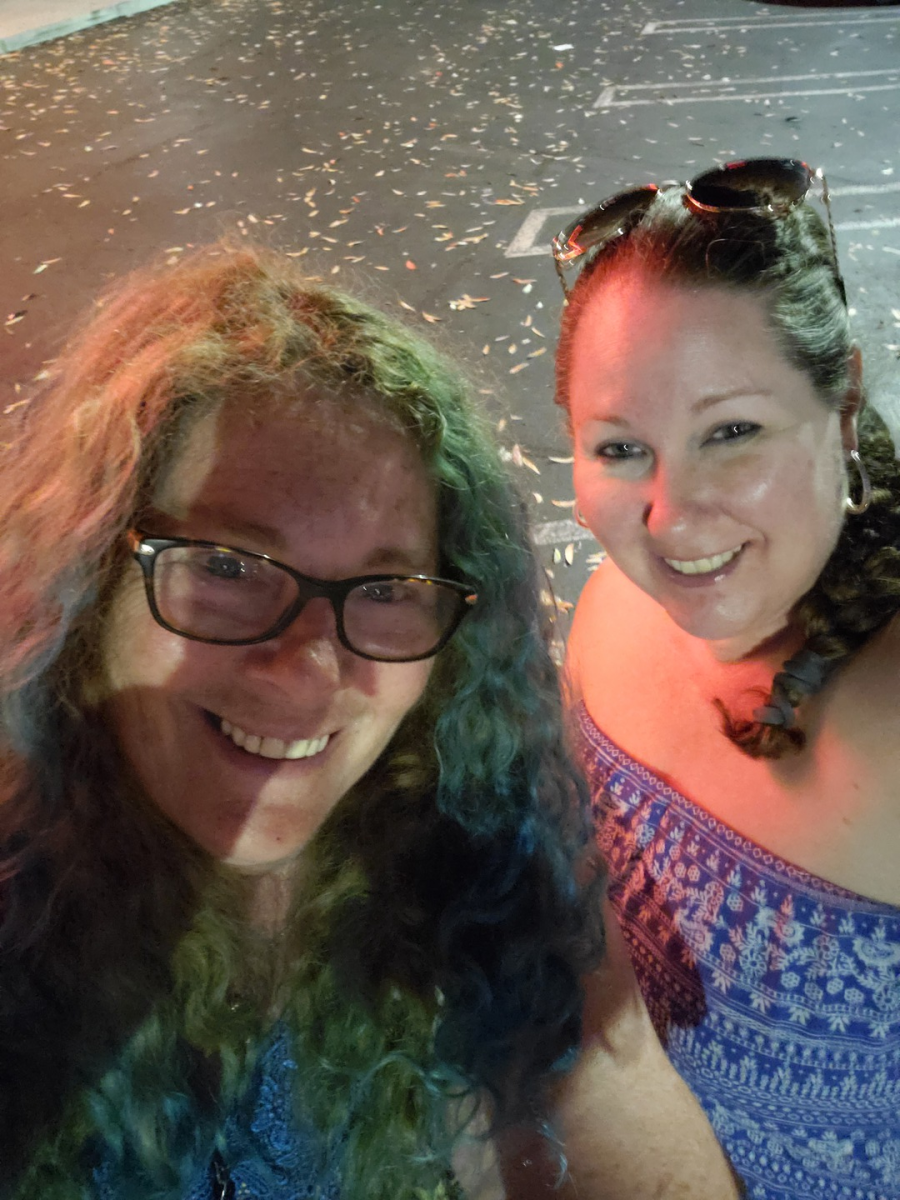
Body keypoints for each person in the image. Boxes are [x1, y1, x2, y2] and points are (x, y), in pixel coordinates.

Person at [0, 243, 742, 1200]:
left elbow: (608, 1077)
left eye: (387, 588)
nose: (310, 667)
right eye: (227, 566)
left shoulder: (477, 841)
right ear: (94, 580)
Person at [551, 157, 900, 1200]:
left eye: (733, 432)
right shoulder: (606, 614)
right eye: (621, 448)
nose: (671, 515)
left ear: (843, 408)